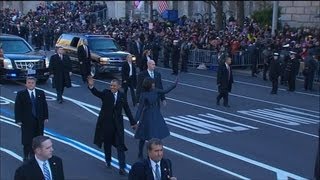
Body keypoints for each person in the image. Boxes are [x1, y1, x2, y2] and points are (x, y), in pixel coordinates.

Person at [87, 76, 137, 175]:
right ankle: (108, 160)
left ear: (119, 86)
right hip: (107, 124)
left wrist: (133, 122)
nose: (112, 87)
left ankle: (122, 167)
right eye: (111, 85)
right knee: (107, 144)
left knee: (120, 146)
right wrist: (91, 86)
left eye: (114, 86)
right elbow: (97, 93)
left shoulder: (122, 95)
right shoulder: (106, 93)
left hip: (118, 125)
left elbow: (126, 109)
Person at [135, 77, 178, 159]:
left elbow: (165, 91)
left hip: (156, 114)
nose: (154, 84)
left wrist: (174, 85)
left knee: (155, 134)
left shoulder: (156, 90)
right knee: (143, 136)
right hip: (147, 116)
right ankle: (140, 153)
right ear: (149, 85)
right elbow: (140, 108)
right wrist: (135, 121)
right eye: (152, 83)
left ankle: (150, 154)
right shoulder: (144, 95)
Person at [15, 76, 49, 161]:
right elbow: (18, 108)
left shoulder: (40, 93)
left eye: (32, 83)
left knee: (38, 140)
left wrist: (46, 117)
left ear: (35, 84)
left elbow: (44, 105)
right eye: (29, 83)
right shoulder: (21, 94)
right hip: (26, 122)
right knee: (27, 140)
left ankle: (36, 156)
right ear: (26, 84)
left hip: (38, 121)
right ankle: (26, 156)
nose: (30, 84)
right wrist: (18, 120)